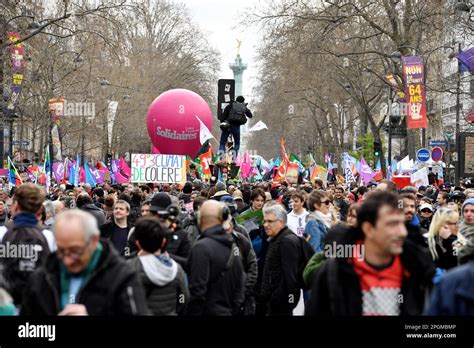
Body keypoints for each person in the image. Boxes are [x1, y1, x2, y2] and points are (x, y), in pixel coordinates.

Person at [306, 191, 435, 316]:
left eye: (402, 223)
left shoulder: (416, 268)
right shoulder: (335, 272)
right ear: (368, 229)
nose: (402, 232)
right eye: (392, 224)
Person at [21, 209, 149, 315]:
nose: (67, 259)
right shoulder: (42, 276)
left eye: (75, 250)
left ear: (94, 241)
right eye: (61, 250)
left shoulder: (123, 276)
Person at [185, 200, 245, 315]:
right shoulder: (232, 245)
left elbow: (197, 293)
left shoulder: (201, 248)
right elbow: (240, 287)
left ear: (200, 219)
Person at [0, 183, 56, 306]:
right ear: (40, 210)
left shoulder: (2, 233)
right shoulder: (49, 236)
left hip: (6, 303)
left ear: (15, 206)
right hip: (37, 303)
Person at [128, 217, 189, 316]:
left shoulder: (129, 267)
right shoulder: (176, 269)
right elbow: (184, 298)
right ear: (163, 242)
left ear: (138, 244)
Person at [259, 204, 304, 316]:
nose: (266, 225)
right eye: (264, 221)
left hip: (280, 305)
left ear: (281, 222)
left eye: (270, 221)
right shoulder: (276, 238)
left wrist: (283, 301)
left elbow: (291, 278)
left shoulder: (286, 241)